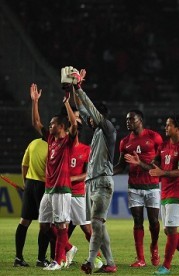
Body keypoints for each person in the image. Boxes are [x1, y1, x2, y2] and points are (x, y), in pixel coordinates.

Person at [125, 115, 179, 275]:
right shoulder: (164, 145)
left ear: (177, 128)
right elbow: (153, 166)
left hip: (178, 192)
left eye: (168, 125)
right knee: (168, 231)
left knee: (171, 230)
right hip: (165, 193)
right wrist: (139, 163)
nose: (165, 128)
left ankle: (166, 266)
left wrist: (162, 172)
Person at [65, 67, 117, 274]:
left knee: (95, 224)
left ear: (100, 116)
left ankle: (89, 261)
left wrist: (79, 88)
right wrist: (75, 90)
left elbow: (90, 109)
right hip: (92, 183)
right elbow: (84, 109)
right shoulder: (97, 131)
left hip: (102, 183)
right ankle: (110, 263)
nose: (87, 120)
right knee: (99, 226)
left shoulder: (108, 128)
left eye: (92, 117)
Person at [31, 82, 78, 270]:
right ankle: (68, 247)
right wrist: (35, 102)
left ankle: (57, 262)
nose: (49, 126)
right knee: (44, 226)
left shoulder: (68, 141)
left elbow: (74, 123)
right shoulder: (50, 139)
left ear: (61, 126)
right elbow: (36, 123)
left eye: (52, 124)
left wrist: (67, 103)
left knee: (60, 226)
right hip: (49, 189)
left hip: (62, 190)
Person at [113, 109, 163, 267]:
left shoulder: (154, 137)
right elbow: (120, 166)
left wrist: (139, 163)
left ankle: (154, 246)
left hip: (152, 186)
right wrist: (106, 172)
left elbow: (158, 165)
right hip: (134, 187)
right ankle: (140, 258)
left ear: (140, 120)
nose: (128, 122)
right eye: (127, 119)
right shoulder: (124, 142)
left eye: (131, 119)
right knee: (137, 221)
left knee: (154, 222)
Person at [66, 109, 103, 269]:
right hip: (62, 193)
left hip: (79, 194)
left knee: (87, 229)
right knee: (57, 228)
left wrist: (70, 179)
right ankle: (64, 255)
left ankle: (98, 258)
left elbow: (87, 174)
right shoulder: (62, 149)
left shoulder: (86, 150)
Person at [14, 137, 50, 268]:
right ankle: (41, 259)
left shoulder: (33, 143)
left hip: (30, 183)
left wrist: (26, 183)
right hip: (44, 185)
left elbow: (24, 165)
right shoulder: (53, 145)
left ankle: (18, 258)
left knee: (24, 221)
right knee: (46, 222)